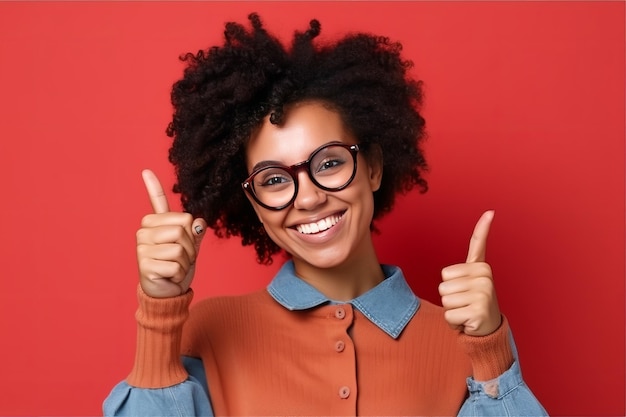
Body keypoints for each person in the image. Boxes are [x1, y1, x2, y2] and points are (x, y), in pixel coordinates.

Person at [103, 13, 548, 416]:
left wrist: (490, 353)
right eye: (274, 179)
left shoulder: (465, 340)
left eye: (330, 163)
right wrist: (160, 314)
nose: (309, 198)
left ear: (372, 167)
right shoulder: (209, 330)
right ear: (254, 204)